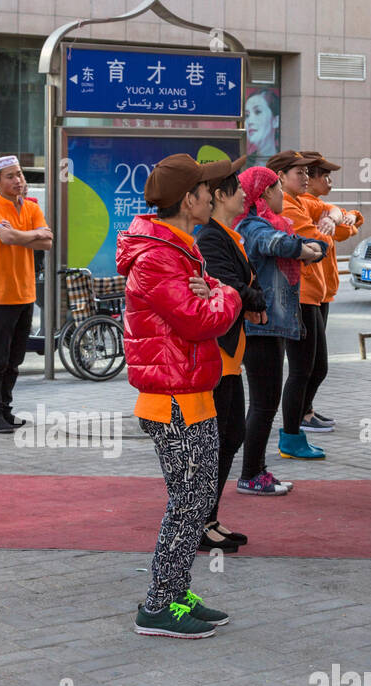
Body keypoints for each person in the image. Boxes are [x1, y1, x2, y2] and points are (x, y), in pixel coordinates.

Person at [117, 153, 241, 639]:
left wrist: (213, 290)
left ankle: (175, 592)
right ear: (189, 200)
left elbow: (204, 299)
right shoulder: (159, 257)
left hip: (191, 393)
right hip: (171, 400)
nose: (213, 194)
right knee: (188, 502)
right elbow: (202, 318)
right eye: (206, 189)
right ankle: (156, 605)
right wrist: (225, 293)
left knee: (197, 497)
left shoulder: (180, 248)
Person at [233, 166, 326, 492]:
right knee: (262, 404)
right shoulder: (252, 226)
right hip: (260, 328)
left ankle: (256, 470)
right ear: (262, 195)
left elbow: (311, 244)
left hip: (271, 327)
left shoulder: (269, 223)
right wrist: (304, 249)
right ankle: (251, 474)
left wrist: (310, 247)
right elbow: (281, 245)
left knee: (264, 403)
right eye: (275, 189)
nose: (280, 196)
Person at [193, 157, 262, 553]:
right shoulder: (210, 237)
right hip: (217, 358)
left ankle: (210, 518)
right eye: (236, 189)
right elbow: (229, 286)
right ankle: (200, 521)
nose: (242, 195)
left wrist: (250, 297)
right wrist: (253, 298)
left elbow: (235, 286)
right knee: (220, 438)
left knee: (230, 435)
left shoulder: (224, 234)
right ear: (218, 195)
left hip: (230, 355)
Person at [267, 150, 335, 460]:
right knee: (301, 370)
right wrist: (323, 231)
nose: (306, 178)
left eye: (308, 173)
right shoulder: (289, 208)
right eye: (300, 173)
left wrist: (331, 218)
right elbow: (317, 244)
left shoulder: (302, 201)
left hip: (311, 295)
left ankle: (294, 434)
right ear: (279, 178)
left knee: (313, 367)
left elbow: (344, 220)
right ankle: (291, 437)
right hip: (298, 297)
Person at [0, 155, 52, 433]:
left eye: (19, 175)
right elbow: (8, 238)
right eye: (10, 176)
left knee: (15, 359)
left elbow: (47, 242)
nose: (18, 181)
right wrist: (31, 234)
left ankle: (6, 409)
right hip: (1, 296)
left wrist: (25, 235)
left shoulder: (31, 207)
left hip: (25, 294)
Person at [298, 150, 363, 432]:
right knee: (311, 365)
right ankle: (299, 417)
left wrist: (336, 217)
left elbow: (353, 222)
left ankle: (306, 411)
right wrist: (335, 219)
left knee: (314, 364)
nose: (330, 181)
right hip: (307, 293)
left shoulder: (317, 206)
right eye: (324, 175)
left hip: (321, 291)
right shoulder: (303, 204)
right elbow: (337, 229)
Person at [244, 88, 280, 167]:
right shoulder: (244, 164)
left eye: (258, 112)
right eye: (247, 115)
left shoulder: (284, 164)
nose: (249, 121)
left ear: (275, 121)